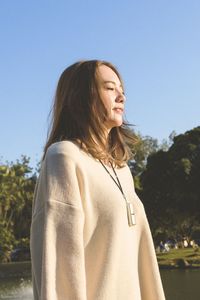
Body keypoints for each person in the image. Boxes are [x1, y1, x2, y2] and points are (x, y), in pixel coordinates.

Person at [30, 60, 165, 300]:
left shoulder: (121, 169)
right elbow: (58, 268)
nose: (121, 96)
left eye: (122, 90)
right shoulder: (64, 157)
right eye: (110, 88)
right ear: (81, 97)